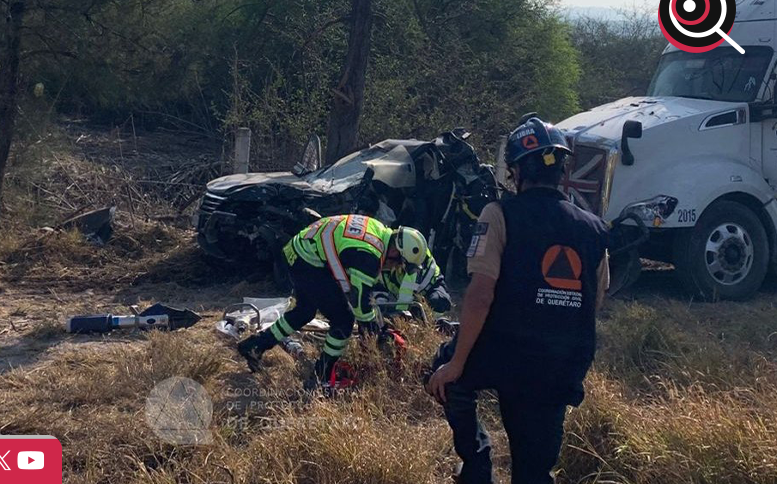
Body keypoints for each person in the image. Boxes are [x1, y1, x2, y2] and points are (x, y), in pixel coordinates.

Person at [425, 116, 610, 484]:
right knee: (534, 468)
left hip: (505, 354)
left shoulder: (499, 214)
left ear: (515, 172)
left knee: (444, 372)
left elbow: (479, 294)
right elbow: (596, 299)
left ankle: (477, 465)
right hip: (561, 363)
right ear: (561, 169)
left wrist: (458, 362)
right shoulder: (594, 229)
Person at [236, 214, 429, 390]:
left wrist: (372, 325)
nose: (395, 267)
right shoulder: (368, 255)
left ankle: (255, 346)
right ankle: (321, 376)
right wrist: (373, 332)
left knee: (304, 312)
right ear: (396, 251)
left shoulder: (380, 231)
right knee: (343, 320)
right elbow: (360, 305)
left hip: (299, 250)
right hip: (308, 260)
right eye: (399, 263)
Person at [375, 247, 451, 321]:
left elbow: (406, 293)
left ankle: (437, 323)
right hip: (401, 297)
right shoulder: (385, 268)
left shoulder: (413, 260)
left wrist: (401, 316)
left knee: (436, 301)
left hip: (432, 287)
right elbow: (379, 288)